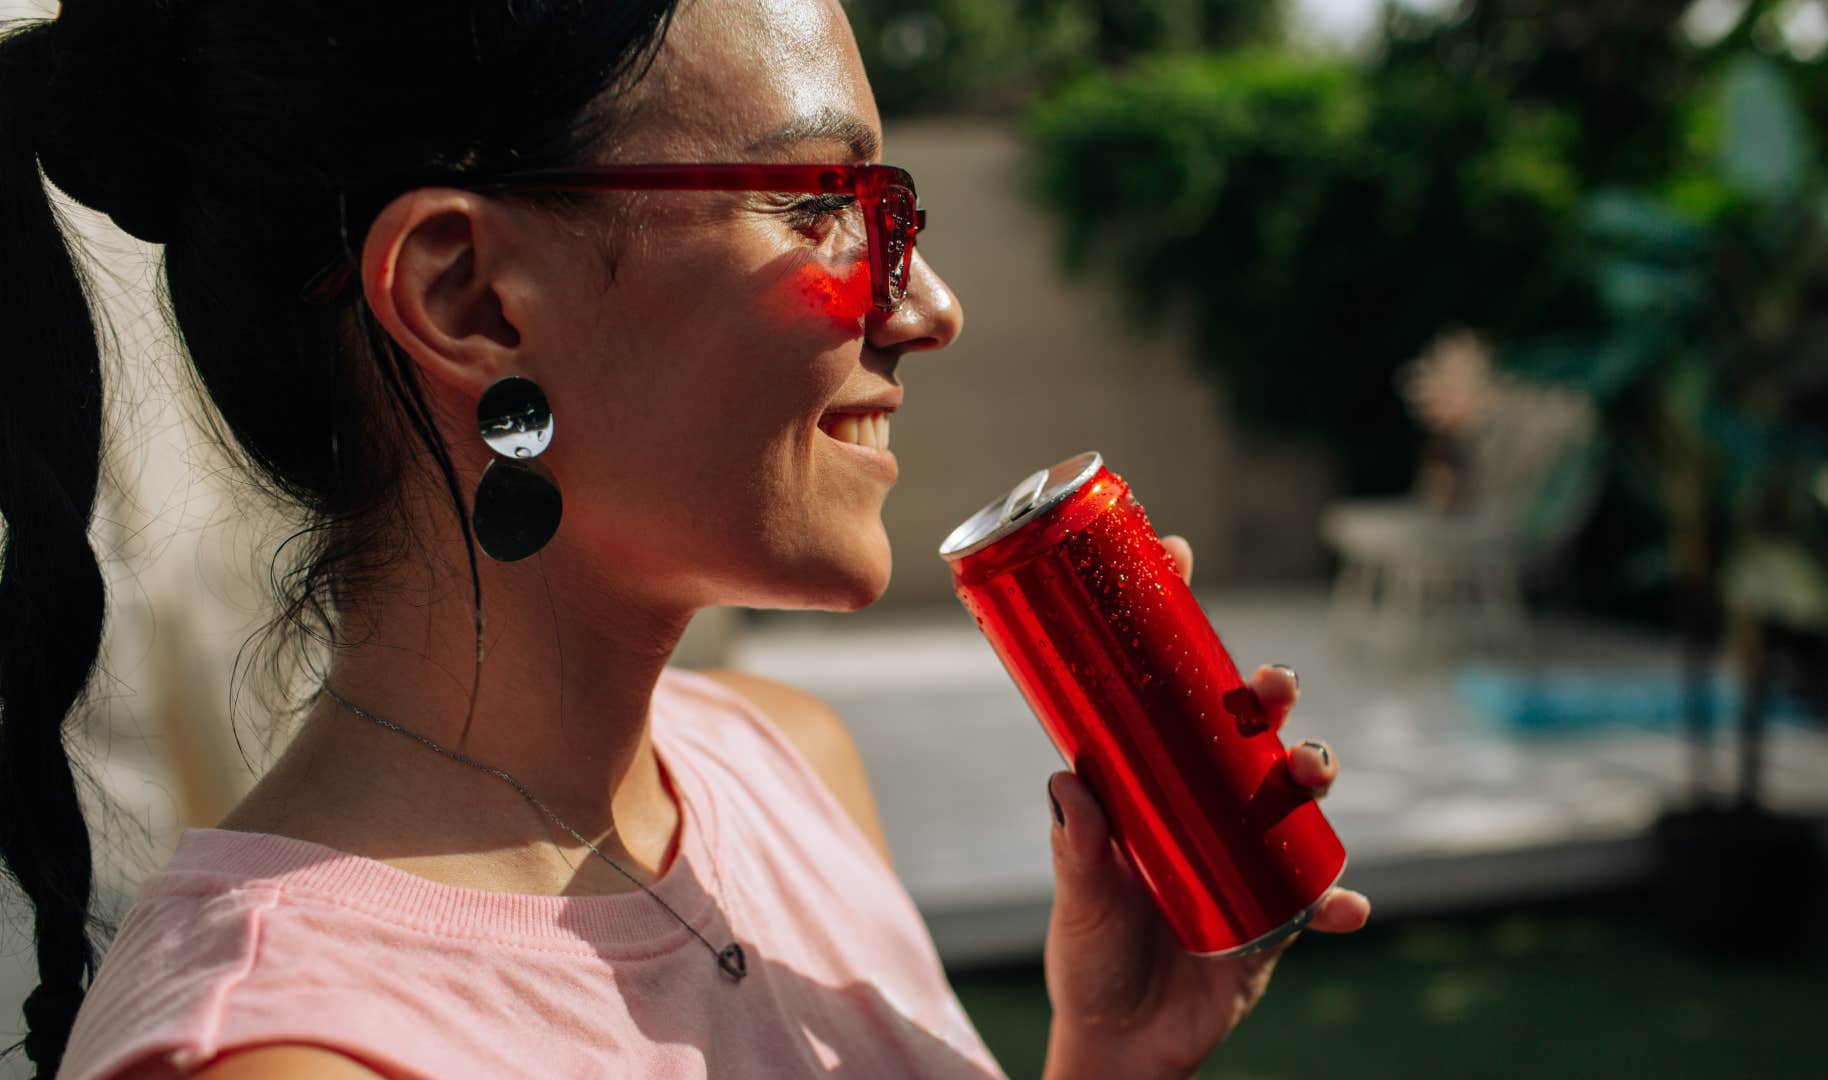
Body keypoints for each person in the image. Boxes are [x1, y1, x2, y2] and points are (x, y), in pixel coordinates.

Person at [0, 0, 1370, 1076]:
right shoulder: (293, 1052)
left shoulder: (792, 772)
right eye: (826, 203)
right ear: (468, 295)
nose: (929, 305)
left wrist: (1111, 1064)